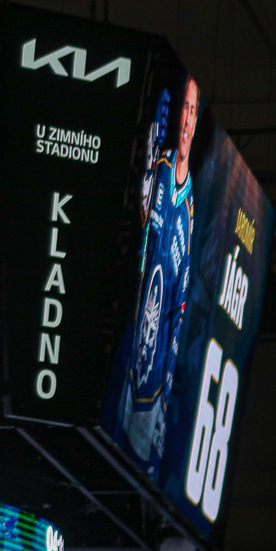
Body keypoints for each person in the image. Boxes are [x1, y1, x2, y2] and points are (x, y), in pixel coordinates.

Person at [122, 75, 199, 473]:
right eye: (183, 109)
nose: (185, 121)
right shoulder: (161, 169)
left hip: (151, 396)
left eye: (192, 111)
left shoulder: (190, 211)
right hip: (128, 371)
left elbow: (179, 314)